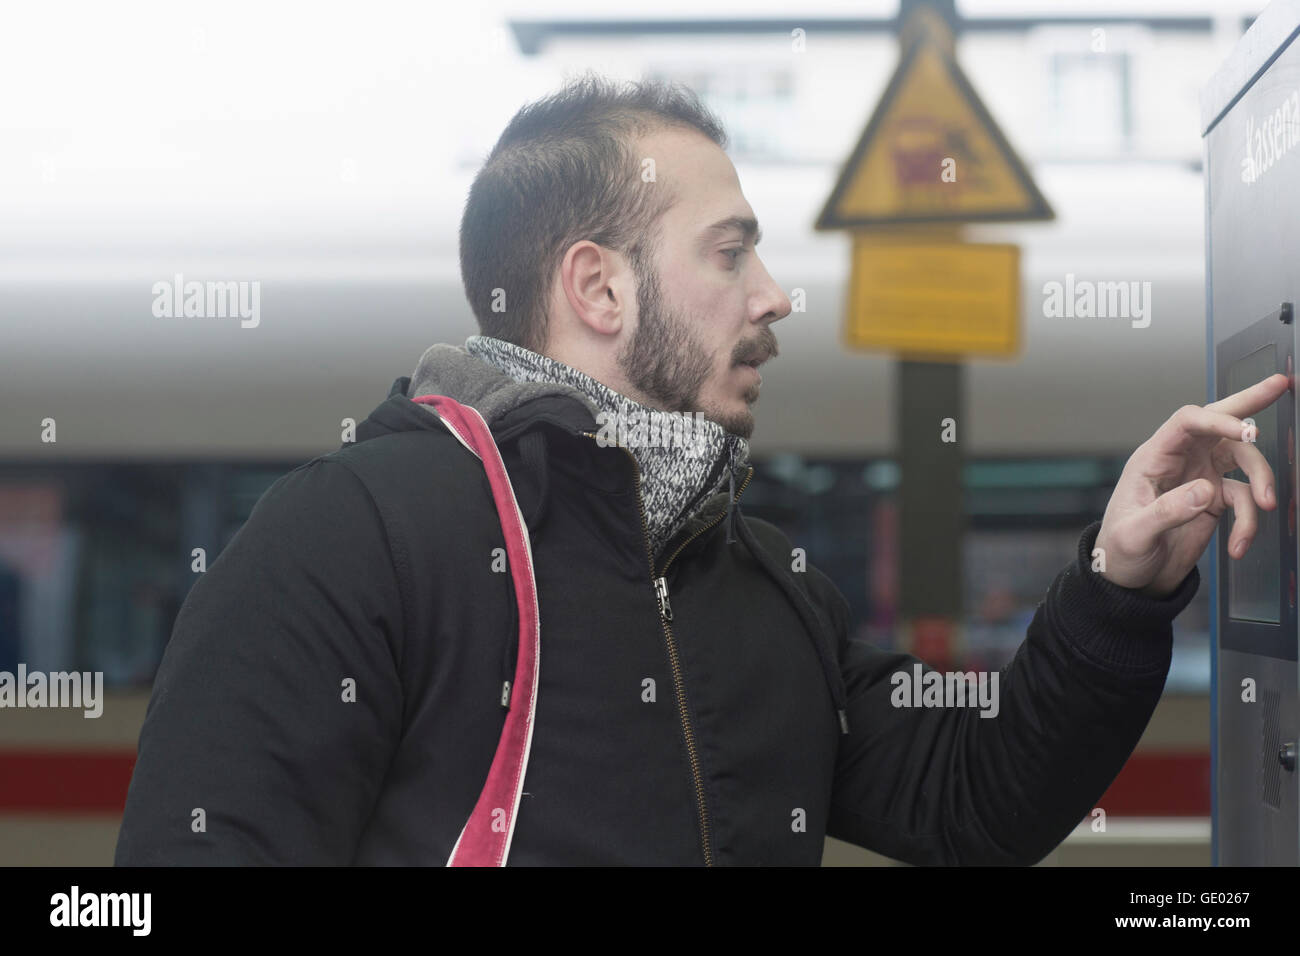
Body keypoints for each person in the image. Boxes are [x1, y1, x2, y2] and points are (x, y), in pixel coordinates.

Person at [114, 73, 1288, 866]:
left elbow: (978, 798)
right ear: (599, 289)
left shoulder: (756, 578)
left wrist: (1117, 580)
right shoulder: (346, 538)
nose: (776, 295)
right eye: (730, 251)